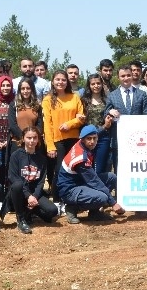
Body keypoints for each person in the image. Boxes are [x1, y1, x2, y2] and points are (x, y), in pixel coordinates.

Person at [56, 125, 125, 223]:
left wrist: (105, 125)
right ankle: (72, 208)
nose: (92, 141)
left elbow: (97, 131)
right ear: (83, 139)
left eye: (95, 138)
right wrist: (113, 203)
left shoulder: (82, 144)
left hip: (79, 182)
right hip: (69, 190)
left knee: (111, 177)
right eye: (89, 139)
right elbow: (94, 181)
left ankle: (94, 213)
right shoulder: (81, 158)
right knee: (102, 197)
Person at [43, 70, 86, 210]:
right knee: (59, 171)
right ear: (53, 81)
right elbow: (47, 125)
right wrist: (50, 145)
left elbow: (81, 117)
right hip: (57, 140)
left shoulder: (74, 97)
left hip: (74, 139)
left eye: (63, 80)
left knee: (74, 169)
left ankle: (71, 199)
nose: (60, 82)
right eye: (57, 79)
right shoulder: (48, 99)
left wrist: (69, 124)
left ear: (67, 82)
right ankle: (56, 200)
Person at [7, 126, 59, 234]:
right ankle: (21, 219)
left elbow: (41, 181)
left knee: (52, 212)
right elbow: (13, 177)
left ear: (38, 139)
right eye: (29, 138)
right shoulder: (16, 156)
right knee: (17, 185)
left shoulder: (42, 159)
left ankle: (29, 211)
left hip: (34, 193)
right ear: (23, 138)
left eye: (35, 138)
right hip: (20, 192)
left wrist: (34, 196)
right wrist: (28, 196)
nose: (32, 141)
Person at [105, 65, 147, 172]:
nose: (126, 78)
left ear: (132, 76)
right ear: (118, 78)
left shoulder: (141, 94)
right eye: (123, 76)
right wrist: (109, 112)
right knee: (120, 170)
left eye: (128, 75)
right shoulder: (112, 95)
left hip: (139, 140)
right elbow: (105, 114)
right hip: (118, 140)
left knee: (138, 169)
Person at [82, 73, 115, 174]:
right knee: (87, 167)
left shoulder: (108, 100)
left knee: (100, 167)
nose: (96, 86)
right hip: (87, 138)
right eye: (93, 84)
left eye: (98, 83)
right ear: (89, 85)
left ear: (102, 84)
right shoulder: (84, 100)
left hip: (103, 137)